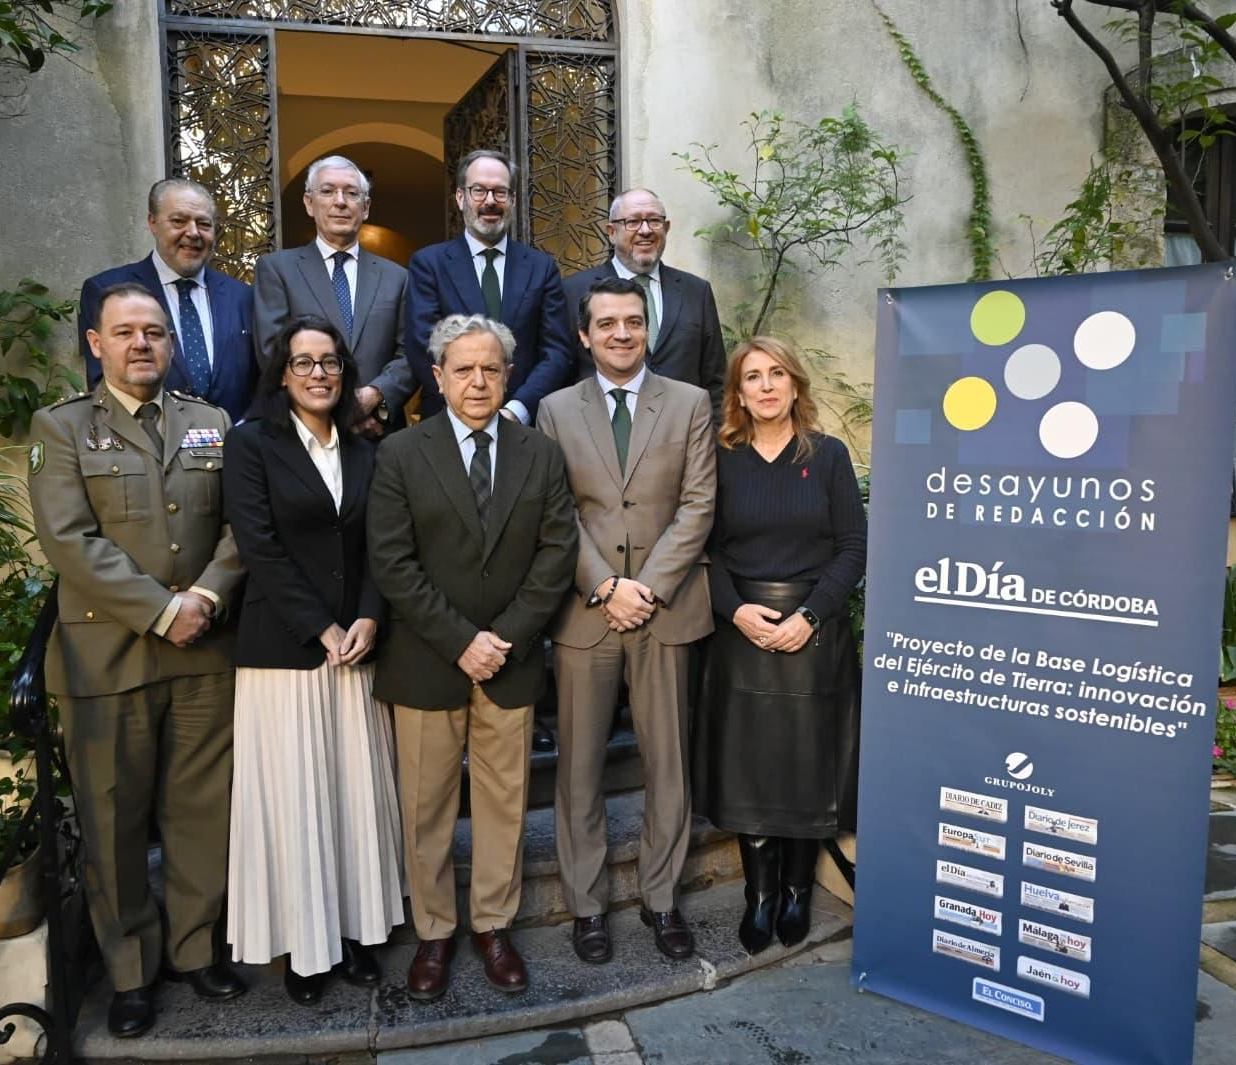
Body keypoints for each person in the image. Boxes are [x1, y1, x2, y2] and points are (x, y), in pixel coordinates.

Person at [28, 281, 245, 1038]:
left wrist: (208, 599)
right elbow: (69, 541)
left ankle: (195, 948)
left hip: (203, 654)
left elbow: (237, 527)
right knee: (113, 822)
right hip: (110, 657)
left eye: (153, 331)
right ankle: (130, 971)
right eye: (125, 332)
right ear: (97, 343)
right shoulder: (60, 429)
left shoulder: (209, 421)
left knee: (200, 814)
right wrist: (162, 609)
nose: (142, 343)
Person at [367, 314, 578, 1002]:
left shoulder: (540, 453)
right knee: (425, 807)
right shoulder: (400, 453)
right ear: (438, 376)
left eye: (491, 368)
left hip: (510, 662)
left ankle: (493, 924)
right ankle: (434, 930)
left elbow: (555, 556)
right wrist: (461, 639)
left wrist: (503, 638)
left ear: (507, 375)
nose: (478, 380)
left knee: (502, 803)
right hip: (428, 660)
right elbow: (393, 563)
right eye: (464, 369)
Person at [221, 315, 405, 1006]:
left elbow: (382, 544)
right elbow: (258, 546)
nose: (319, 373)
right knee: (297, 799)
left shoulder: (366, 446)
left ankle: (357, 931)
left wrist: (366, 615)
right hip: (285, 653)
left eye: (329, 361)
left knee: (352, 796)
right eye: (304, 362)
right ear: (282, 373)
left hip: (356, 649)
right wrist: (320, 627)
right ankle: (306, 946)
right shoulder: (251, 444)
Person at [536, 277, 715, 964]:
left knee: (667, 761)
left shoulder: (691, 403)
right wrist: (606, 585)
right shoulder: (554, 410)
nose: (620, 333)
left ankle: (661, 897)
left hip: (665, 610)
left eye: (632, 322)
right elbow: (558, 511)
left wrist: (647, 587)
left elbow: (698, 505)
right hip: (587, 611)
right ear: (584, 335)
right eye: (605, 322)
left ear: (647, 330)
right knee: (578, 767)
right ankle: (587, 907)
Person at [692, 335, 866, 955]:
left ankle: (797, 891)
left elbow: (852, 546)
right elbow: (701, 548)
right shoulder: (720, 458)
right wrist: (736, 611)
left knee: (803, 765)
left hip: (813, 633)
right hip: (741, 631)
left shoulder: (829, 457)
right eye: (751, 377)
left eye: (776, 374)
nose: (765, 386)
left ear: (795, 384)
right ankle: (759, 896)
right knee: (752, 768)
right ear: (737, 393)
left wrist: (811, 616)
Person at [404, 149, 572, 424]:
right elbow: (422, 346)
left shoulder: (542, 268)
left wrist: (517, 409)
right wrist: (467, 402)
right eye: (479, 191)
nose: (490, 201)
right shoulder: (429, 264)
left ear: (513, 200)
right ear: (461, 198)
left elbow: (556, 352)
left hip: (522, 423)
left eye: (500, 192)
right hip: (449, 421)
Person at [252, 156, 413, 437]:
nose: (340, 201)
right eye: (327, 191)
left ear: (365, 207)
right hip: (304, 433)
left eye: (351, 193)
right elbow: (272, 352)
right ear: (308, 203)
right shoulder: (277, 270)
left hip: (378, 434)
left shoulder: (397, 277)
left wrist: (375, 398)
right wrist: (331, 411)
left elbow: (410, 353)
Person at [78, 178, 258, 421]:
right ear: (153, 222)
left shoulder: (244, 297)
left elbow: (259, 384)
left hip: (234, 449)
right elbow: (103, 381)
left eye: (204, 224)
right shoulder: (106, 290)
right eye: (179, 221)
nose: (193, 233)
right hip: (147, 447)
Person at [564, 188, 726, 411]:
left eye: (654, 221)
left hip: (684, 434)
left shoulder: (696, 291)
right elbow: (562, 373)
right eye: (633, 222)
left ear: (666, 228)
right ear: (611, 232)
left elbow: (716, 381)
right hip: (603, 431)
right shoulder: (574, 291)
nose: (645, 230)